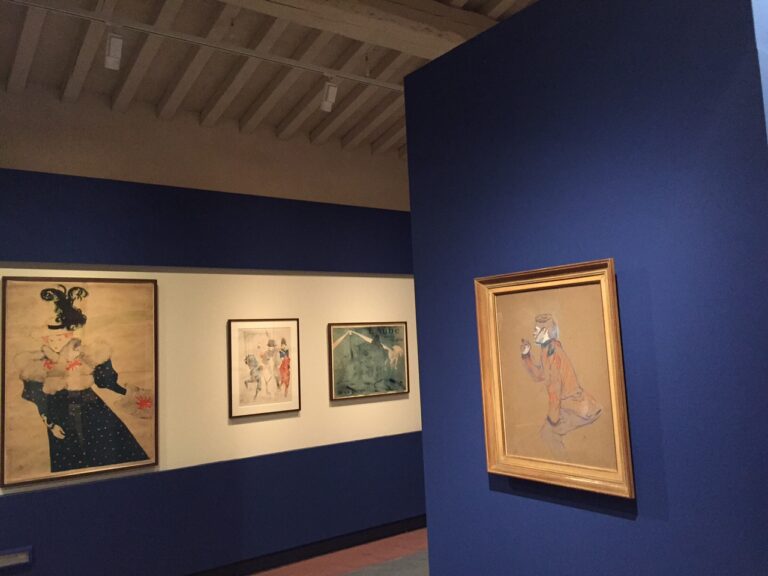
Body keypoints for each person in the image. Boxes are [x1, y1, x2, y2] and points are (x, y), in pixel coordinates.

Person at [17, 284, 149, 473]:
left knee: (111, 455)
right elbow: (39, 398)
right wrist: (51, 423)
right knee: (71, 465)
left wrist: (126, 392)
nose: (56, 341)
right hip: (60, 416)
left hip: (93, 410)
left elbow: (105, 381)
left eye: (63, 335)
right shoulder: (37, 365)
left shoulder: (88, 353)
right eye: (50, 337)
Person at [520, 313, 602, 454]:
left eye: (536, 330)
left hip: (576, 408)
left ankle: (565, 461)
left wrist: (553, 419)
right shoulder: (547, 349)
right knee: (547, 434)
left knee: (548, 434)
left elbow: (554, 388)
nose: (533, 332)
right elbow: (540, 375)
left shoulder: (553, 353)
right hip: (570, 406)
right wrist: (526, 355)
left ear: (545, 332)